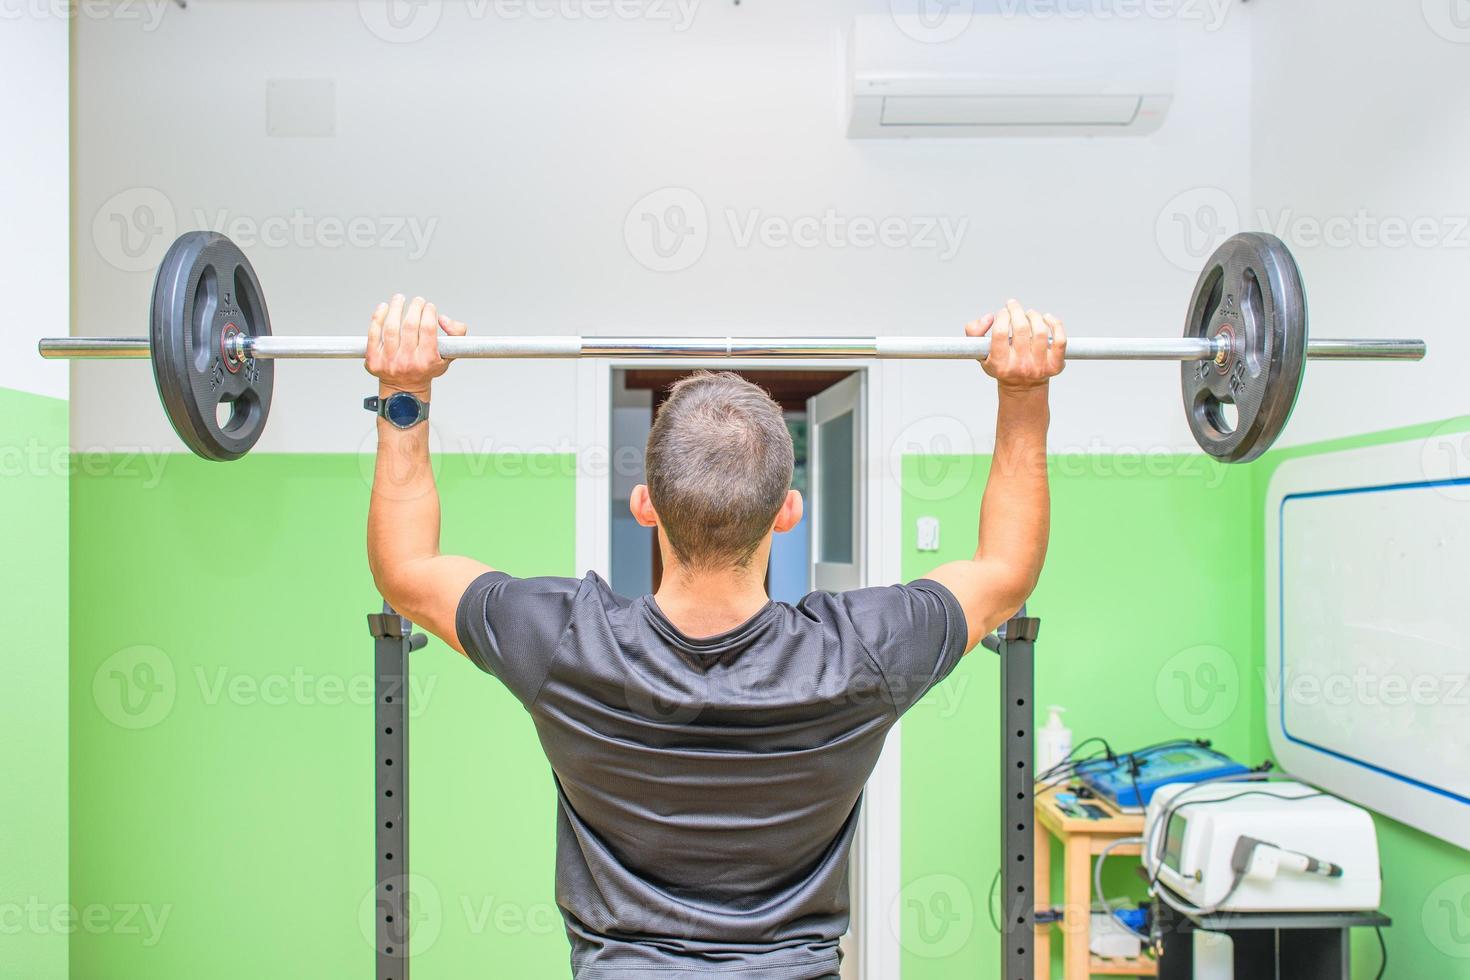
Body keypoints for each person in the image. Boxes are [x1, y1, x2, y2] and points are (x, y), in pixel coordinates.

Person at [364, 295, 1065, 979]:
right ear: (787, 512)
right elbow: (1006, 570)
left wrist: (404, 390)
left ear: (645, 506)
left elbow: (406, 570)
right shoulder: (864, 652)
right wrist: (1023, 392)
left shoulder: (562, 643)